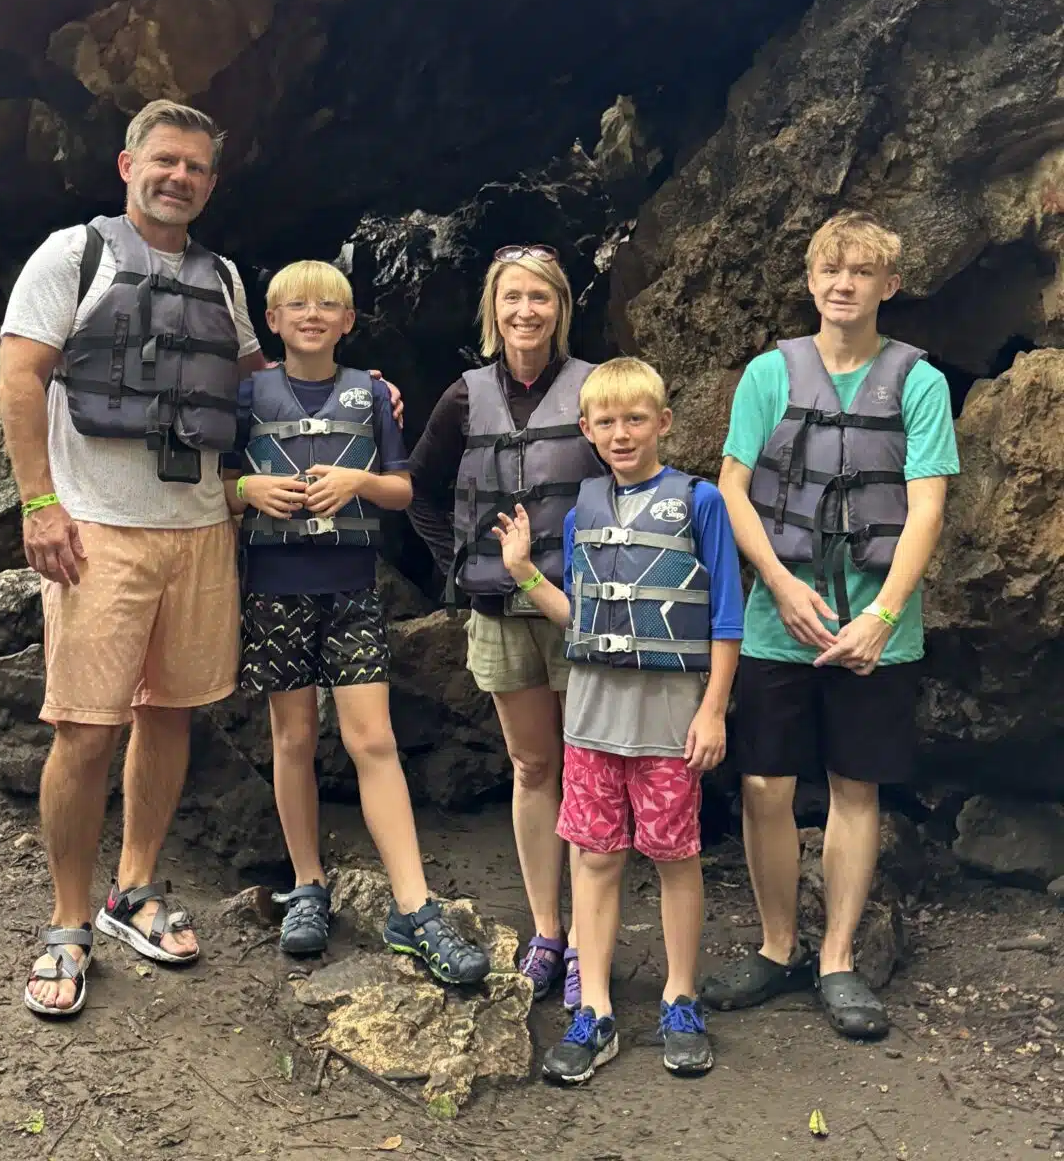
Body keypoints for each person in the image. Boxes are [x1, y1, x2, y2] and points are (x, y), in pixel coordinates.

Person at [0, 100, 266, 1016]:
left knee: (170, 713)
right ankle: (68, 921)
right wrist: (39, 503)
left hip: (197, 528)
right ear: (127, 164)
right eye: (163, 161)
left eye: (194, 166)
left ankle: (133, 890)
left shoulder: (222, 275)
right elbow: (20, 375)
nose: (177, 177)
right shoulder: (72, 257)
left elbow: (253, 381)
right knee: (84, 728)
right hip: (96, 529)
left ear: (210, 181)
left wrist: (353, 386)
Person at [705, 212, 958, 1040]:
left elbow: (927, 507)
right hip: (785, 615)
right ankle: (778, 947)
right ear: (811, 281)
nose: (842, 284)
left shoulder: (917, 382)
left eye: (860, 272)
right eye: (829, 270)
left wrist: (885, 613)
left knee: (856, 784)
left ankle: (839, 958)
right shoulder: (768, 375)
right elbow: (733, 488)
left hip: (878, 623)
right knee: (765, 784)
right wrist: (776, 585)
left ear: (889, 285)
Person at [221, 260, 490, 984]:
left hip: (350, 589)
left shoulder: (370, 395)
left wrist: (356, 482)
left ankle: (414, 904)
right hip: (274, 587)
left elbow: (402, 490)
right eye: (296, 304)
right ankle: (307, 883)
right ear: (271, 321)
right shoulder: (248, 396)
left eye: (329, 305)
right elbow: (213, 482)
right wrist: (247, 487)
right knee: (294, 736)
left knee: (373, 738)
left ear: (349, 321)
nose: (313, 314)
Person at [493, 357, 744, 1083]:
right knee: (596, 860)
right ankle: (594, 1008)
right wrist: (524, 573)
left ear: (663, 423)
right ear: (587, 431)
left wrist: (714, 709)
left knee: (675, 858)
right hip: (594, 726)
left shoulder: (699, 504)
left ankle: (680, 997)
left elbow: (725, 616)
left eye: (636, 419)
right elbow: (582, 620)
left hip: (671, 724)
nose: (621, 433)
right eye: (606, 422)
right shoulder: (582, 513)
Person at [408, 247, 604, 1004]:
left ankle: (588, 937)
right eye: (513, 299)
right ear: (493, 311)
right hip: (497, 609)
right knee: (532, 767)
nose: (527, 312)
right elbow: (422, 491)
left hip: (579, 612)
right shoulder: (463, 398)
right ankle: (548, 930)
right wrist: (455, 567)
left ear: (560, 309)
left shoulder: (594, 389)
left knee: (587, 769)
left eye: (541, 300)